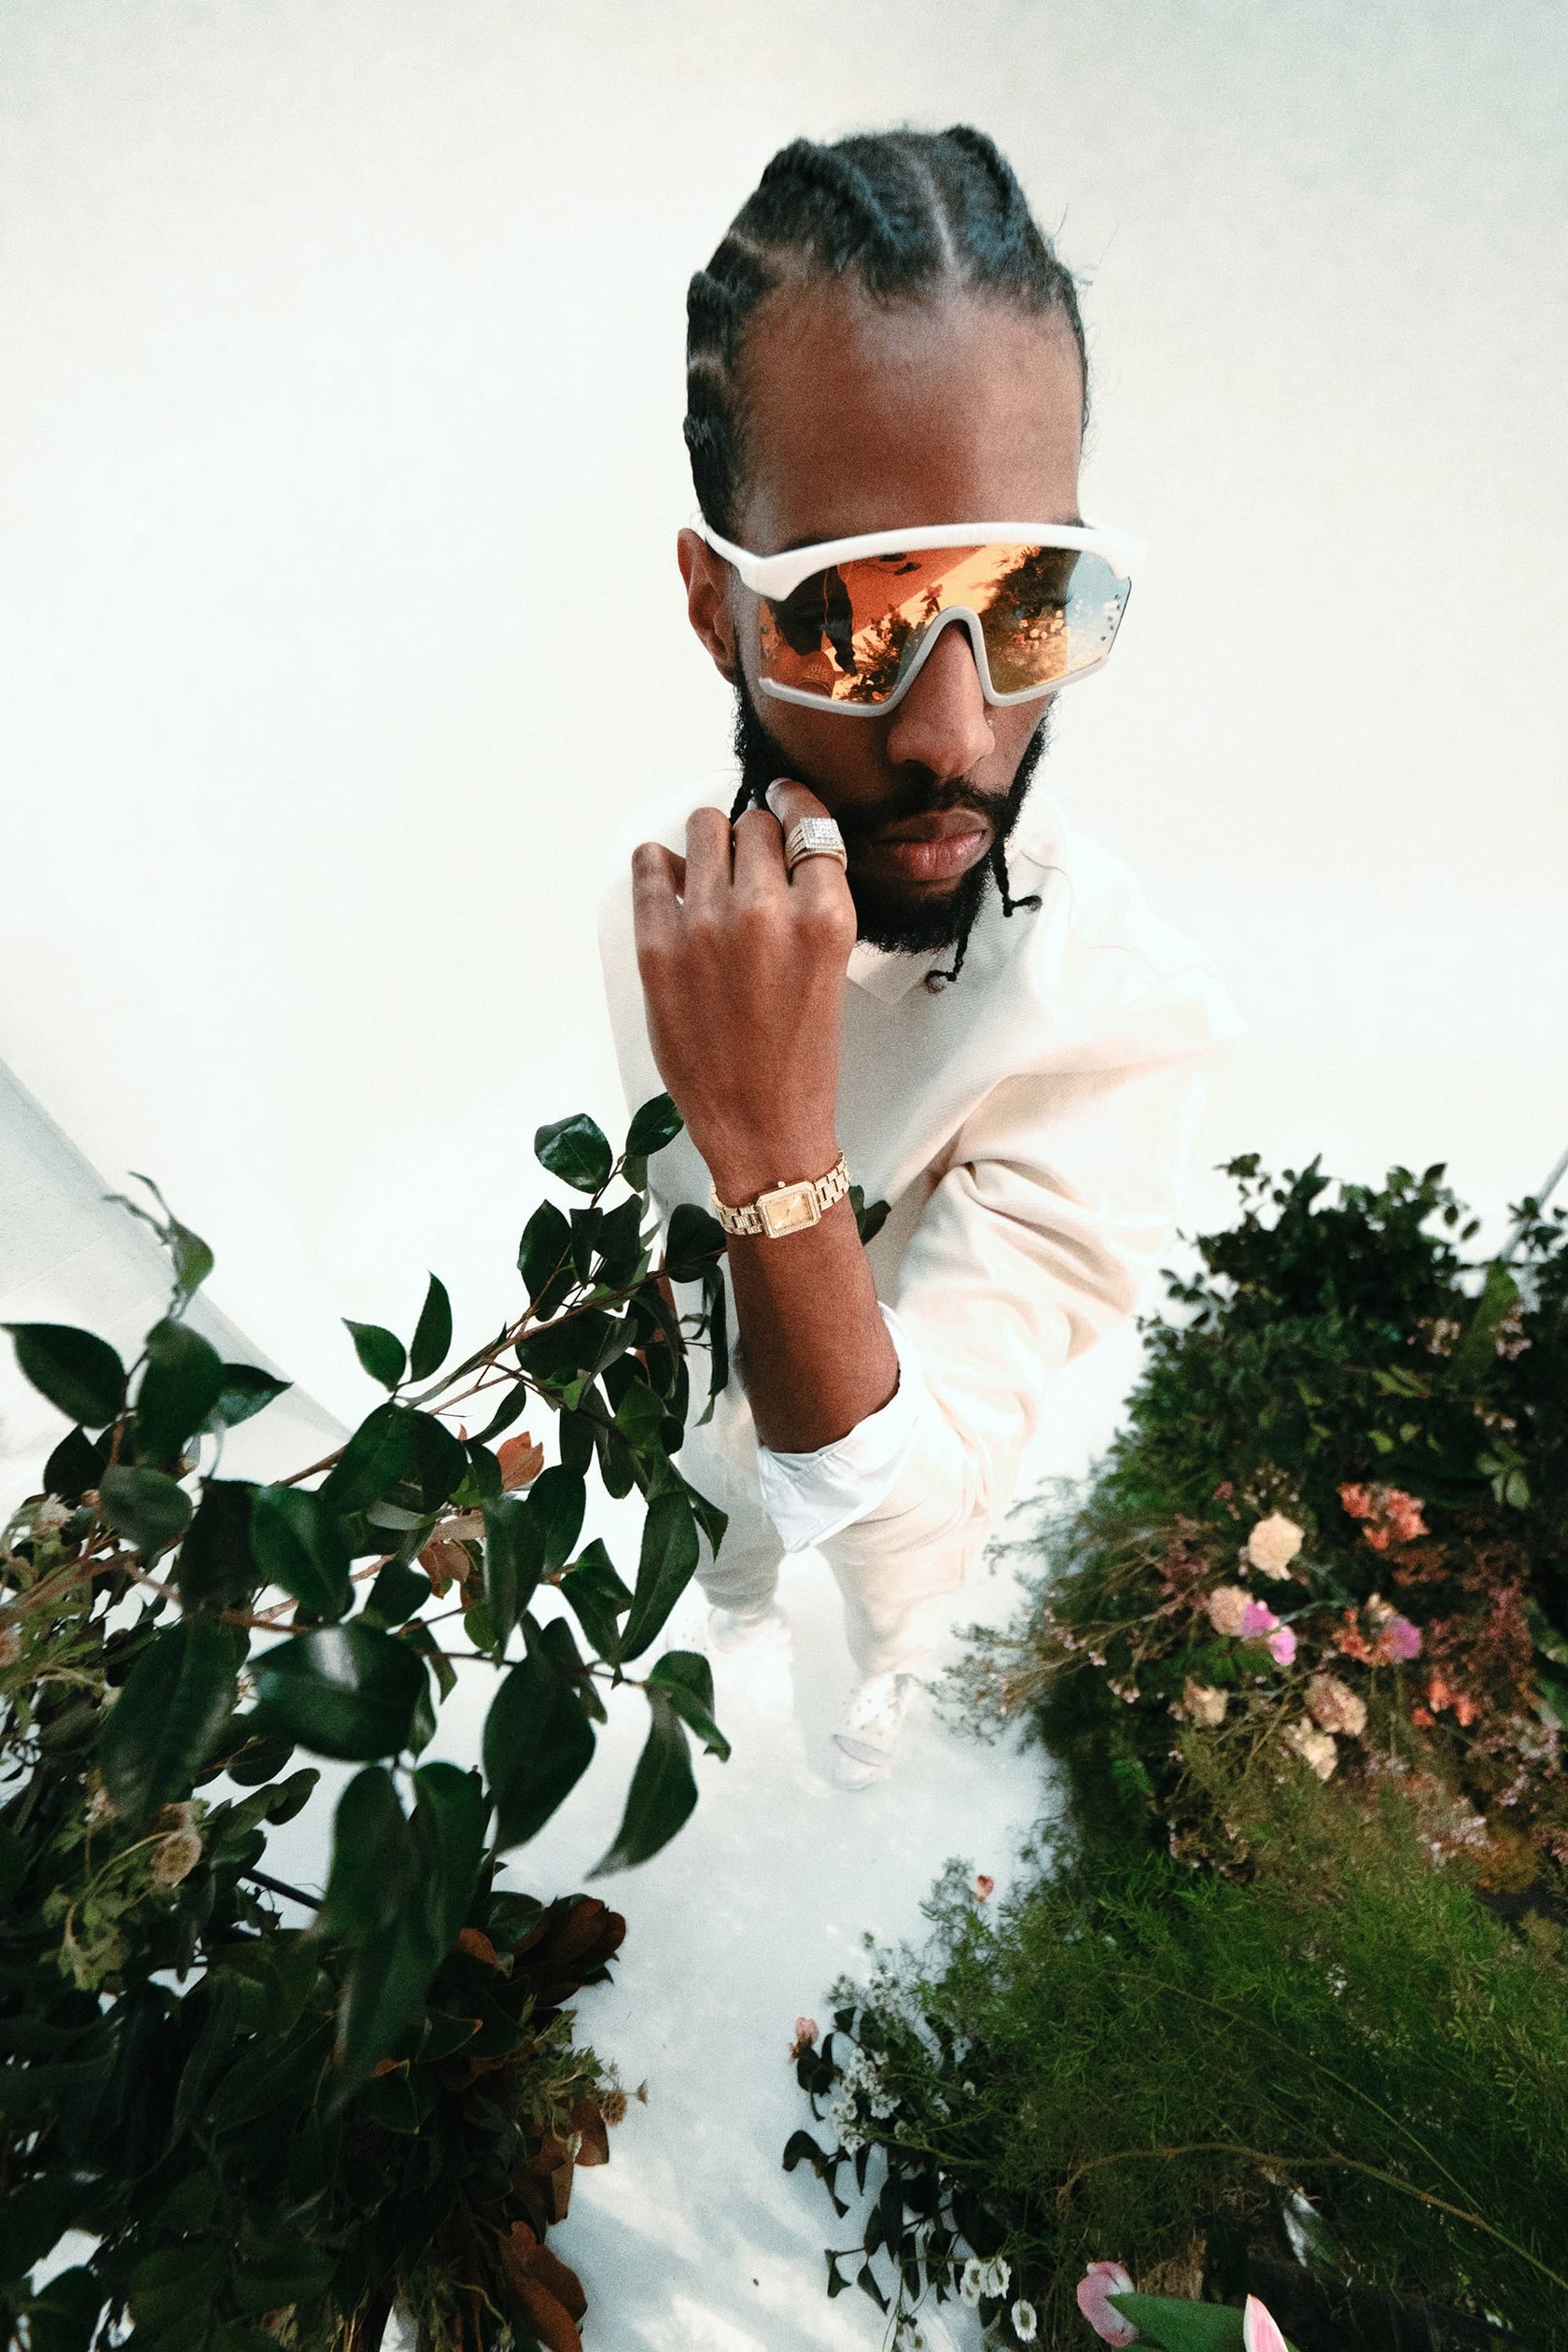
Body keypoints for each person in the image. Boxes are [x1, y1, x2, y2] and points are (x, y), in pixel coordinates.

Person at [597, 127, 1239, 1785]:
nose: (957, 733)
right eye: (853, 615)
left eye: (1034, 601)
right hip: (666, 1608)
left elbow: (913, 1546)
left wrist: (771, 1148)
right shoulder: (673, 911)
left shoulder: (1120, 1018)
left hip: (884, 1710)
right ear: (709, 603)